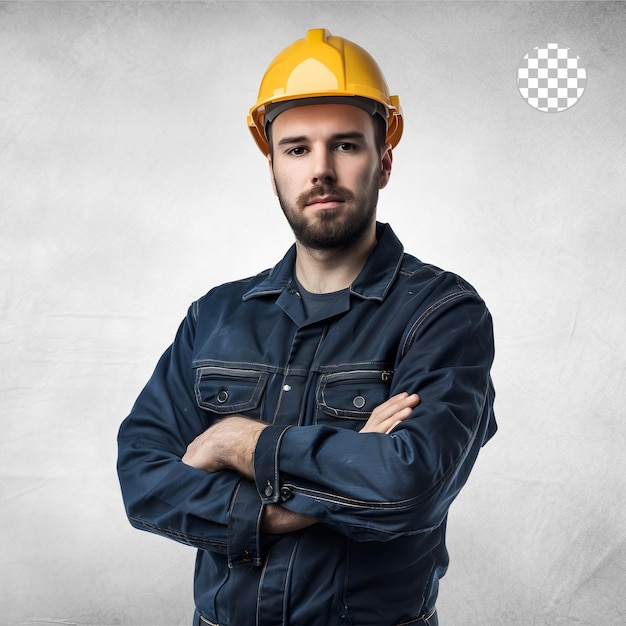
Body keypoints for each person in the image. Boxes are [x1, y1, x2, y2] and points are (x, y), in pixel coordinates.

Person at [117, 28, 496, 626]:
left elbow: (408, 487)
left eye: (345, 145)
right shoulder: (215, 315)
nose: (320, 170)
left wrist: (235, 442)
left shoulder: (443, 314)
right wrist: (304, 504)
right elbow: (144, 480)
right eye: (296, 149)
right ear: (272, 166)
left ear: (385, 160)